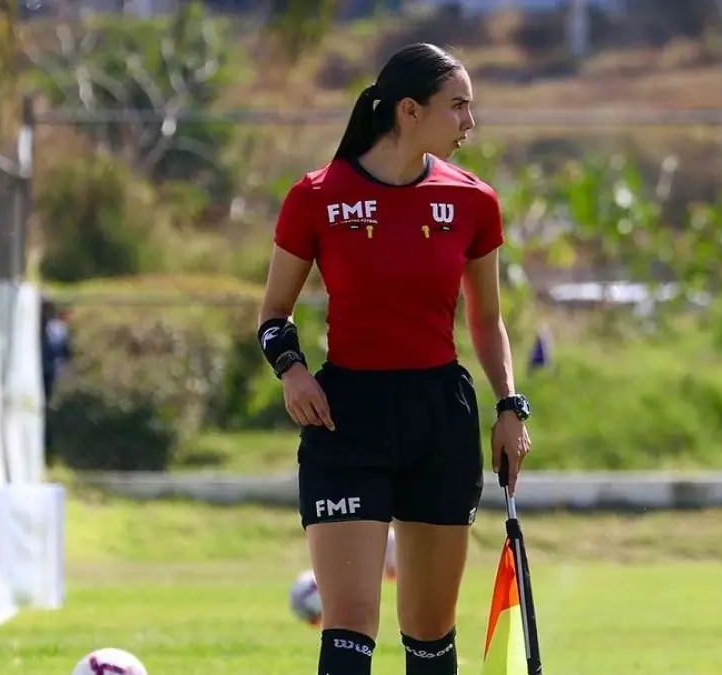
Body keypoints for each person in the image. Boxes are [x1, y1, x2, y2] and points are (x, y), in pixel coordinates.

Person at [256, 43, 533, 675]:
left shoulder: (472, 201)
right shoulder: (316, 196)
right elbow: (274, 314)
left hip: (440, 418)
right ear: (409, 110)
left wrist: (511, 406)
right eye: (457, 106)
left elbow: (487, 322)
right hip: (344, 421)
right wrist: (292, 370)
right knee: (349, 627)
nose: (470, 123)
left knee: (430, 633)